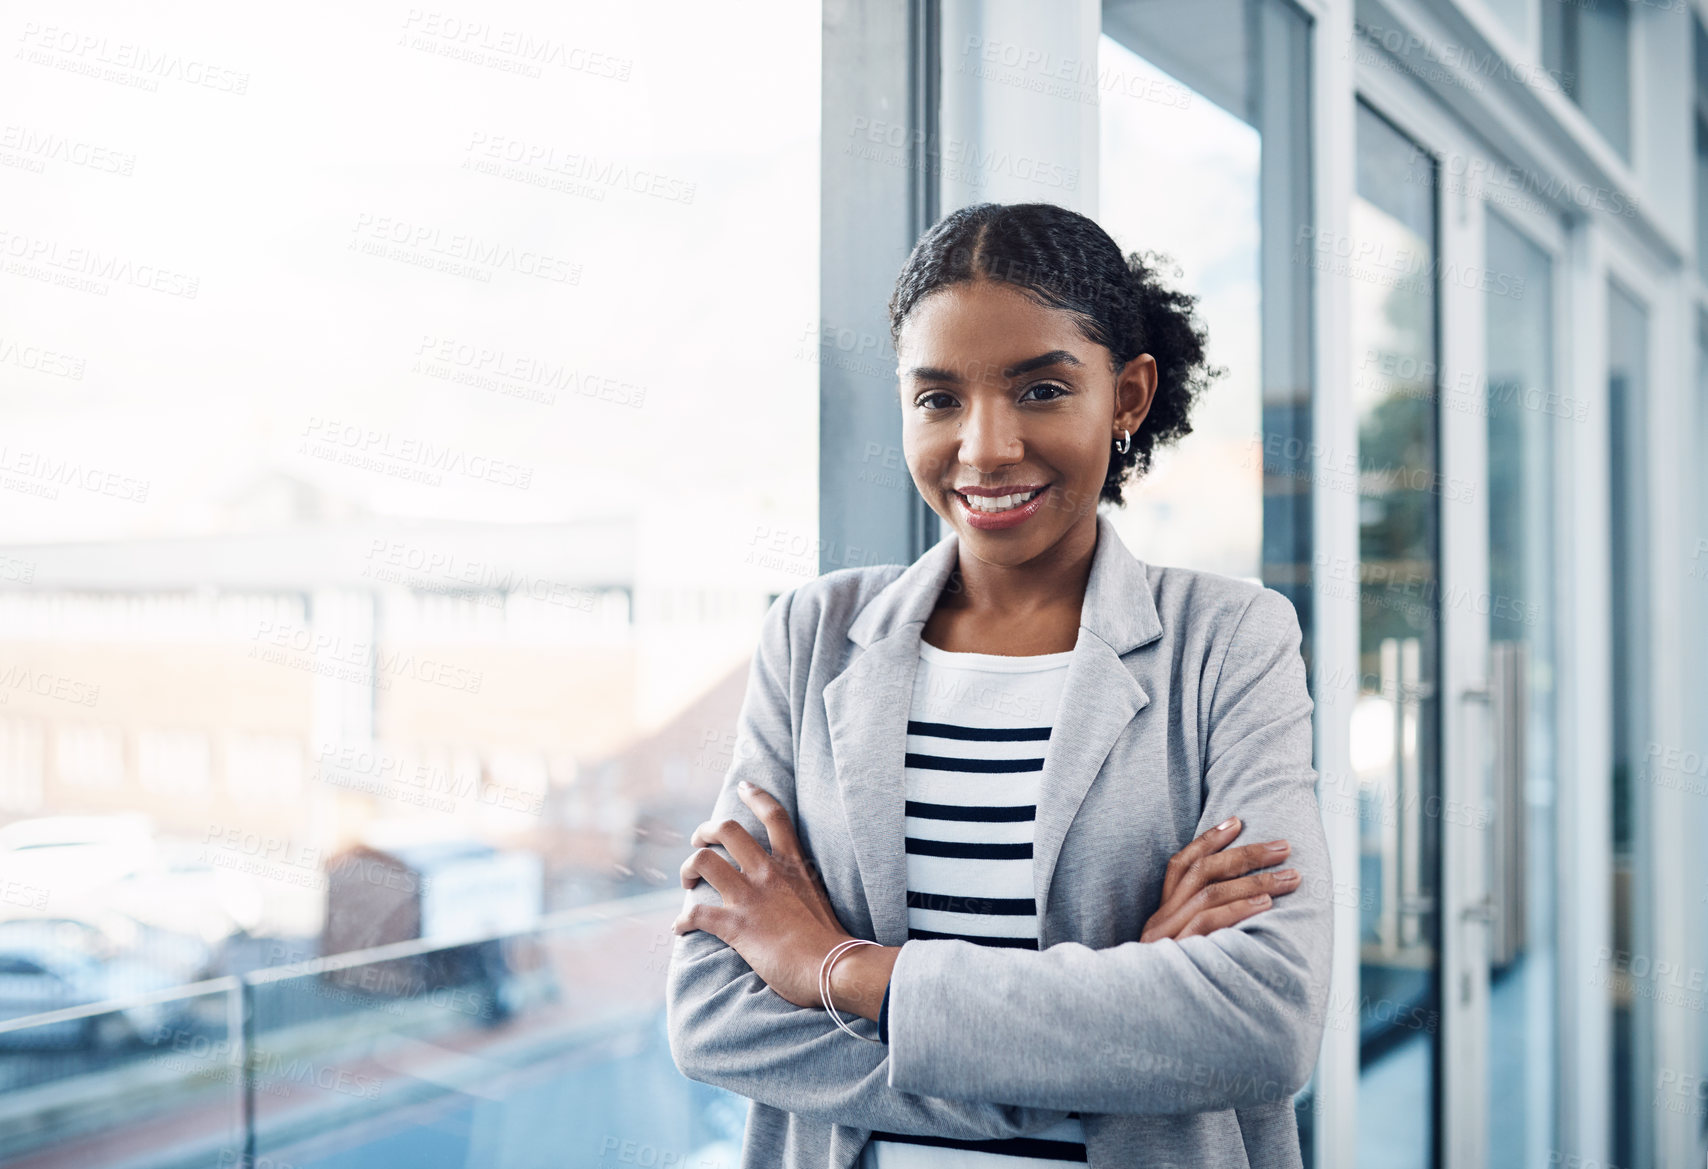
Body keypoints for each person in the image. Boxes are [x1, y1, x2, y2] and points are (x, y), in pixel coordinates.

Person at [666, 202, 1333, 1169]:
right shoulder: (813, 637)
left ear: (1129, 395)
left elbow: (1264, 1022)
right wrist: (1119, 1027)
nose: (984, 448)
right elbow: (714, 1017)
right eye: (938, 400)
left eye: (1042, 390)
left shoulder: (1228, 641)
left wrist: (834, 969)